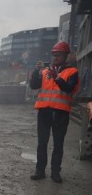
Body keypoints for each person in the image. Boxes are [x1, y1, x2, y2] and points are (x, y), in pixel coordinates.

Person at [28, 41, 79, 183]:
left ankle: (55, 172)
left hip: (61, 113)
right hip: (44, 111)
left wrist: (56, 77)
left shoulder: (72, 72)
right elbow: (34, 85)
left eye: (58, 55)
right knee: (42, 143)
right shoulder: (45, 72)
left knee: (58, 144)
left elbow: (69, 88)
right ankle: (40, 170)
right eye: (54, 55)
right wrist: (35, 73)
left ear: (65, 56)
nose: (55, 57)